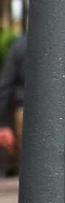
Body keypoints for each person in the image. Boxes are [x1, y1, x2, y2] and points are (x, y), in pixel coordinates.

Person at [0, 34, 24, 174]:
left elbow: (5, 85)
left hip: (23, 109)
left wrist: (3, 124)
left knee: (28, 157)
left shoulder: (20, 44)